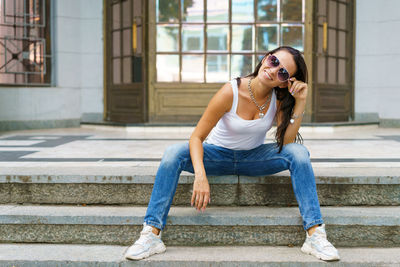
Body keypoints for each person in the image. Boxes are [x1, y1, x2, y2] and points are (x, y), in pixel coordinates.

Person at [124, 46, 340, 262]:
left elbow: (286, 143)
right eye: (274, 61)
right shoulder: (231, 91)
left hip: (253, 159)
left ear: (286, 82)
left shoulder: (279, 98)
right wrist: (200, 175)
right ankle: (151, 234)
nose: (274, 70)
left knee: (299, 153)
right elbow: (196, 137)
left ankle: (314, 234)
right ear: (266, 58)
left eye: (283, 72)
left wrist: (300, 101)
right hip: (216, 156)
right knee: (173, 153)